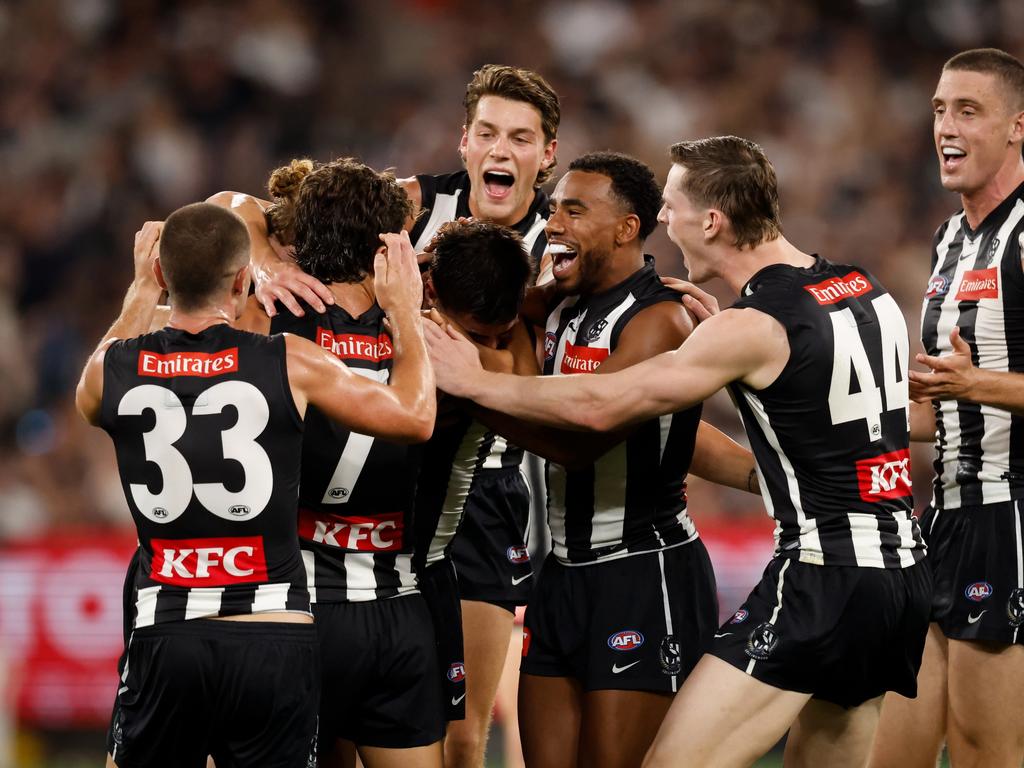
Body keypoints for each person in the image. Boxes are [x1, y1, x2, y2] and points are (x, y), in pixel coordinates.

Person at [423, 136, 931, 768]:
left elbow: (604, 408)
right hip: (899, 576)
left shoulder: (743, 326)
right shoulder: (863, 289)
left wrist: (473, 382)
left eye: (672, 206)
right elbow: (886, 420)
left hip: (820, 574)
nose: (666, 219)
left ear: (712, 221)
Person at [228, 64, 562, 768]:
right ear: (464, 143)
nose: (502, 150)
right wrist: (263, 261)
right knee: (370, 721)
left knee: (466, 734)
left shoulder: (567, 238)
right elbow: (244, 205)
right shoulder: (407, 205)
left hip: (488, 486)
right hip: (400, 466)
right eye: (488, 133)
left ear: (548, 154)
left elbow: (535, 374)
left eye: (521, 138)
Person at [427, 151, 755, 768]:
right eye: (554, 209)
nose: (554, 224)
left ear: (626, 229)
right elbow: (480, 302)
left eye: (575, 211)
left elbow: (583, 442)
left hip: (641, 572)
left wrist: (470, 390)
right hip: (561, 573)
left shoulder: (659, 319)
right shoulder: (555, 303)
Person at [77, 202, 433, 768]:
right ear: (244, 279)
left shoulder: (111, 371)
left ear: (163, 275)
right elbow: (414, 416)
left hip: (168, 629)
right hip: (274, 630)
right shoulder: (287, 359)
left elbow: (91, 377)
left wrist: (140, 294)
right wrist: (406, 315)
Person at [212, 158, 446, 768]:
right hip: (397, 605)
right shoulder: (430, 334)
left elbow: (220, 207)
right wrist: (407, 314)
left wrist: (262, 259)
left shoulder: (267, 320)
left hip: (291, 605)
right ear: (386, 245)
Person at [870, 47, 1024, 768]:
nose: (946, 126)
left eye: (969, 110)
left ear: (1017, 125)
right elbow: (942, 405)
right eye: (939, 109)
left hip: (1012, 520)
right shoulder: (950, 240)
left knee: (981, 751)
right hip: (944, 520)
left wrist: (977, 387)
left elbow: (971, 389)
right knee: (892, 748)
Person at [412, 218, 536, 733]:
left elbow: (523, 380)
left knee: (464, 739)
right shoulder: (394, 281)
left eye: (497, 335)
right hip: (370, 544)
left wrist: (465, 354)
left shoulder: (524, 292)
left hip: (478, 512)